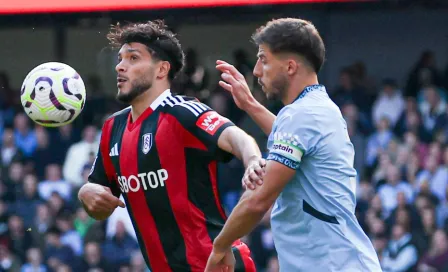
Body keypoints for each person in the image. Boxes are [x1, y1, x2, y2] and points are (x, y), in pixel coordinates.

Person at [78, 20, 262, 272]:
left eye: (133, 58)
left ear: (161, 69)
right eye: (120, 59)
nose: (120, 66)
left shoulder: (181, 112)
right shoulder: (113, 128)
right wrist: (85, 193)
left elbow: (235, 137)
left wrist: (252, 160)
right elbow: (100, 203)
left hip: (217, 265)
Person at [205, 18, 382, 271]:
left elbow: (258, 199)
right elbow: (288, 135)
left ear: (290, 67)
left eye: (263, 59)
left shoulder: (301, 115)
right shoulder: (318, 108)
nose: (256, 70)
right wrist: (250, 104)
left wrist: (220, 246)